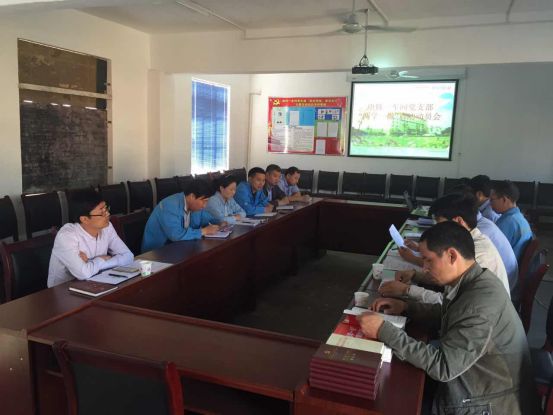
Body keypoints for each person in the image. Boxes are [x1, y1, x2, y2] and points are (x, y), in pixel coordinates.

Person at [360, 222, 539, 415]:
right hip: (476, 382)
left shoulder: (479, 304)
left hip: (486, 403)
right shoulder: (475, 279)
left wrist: (383, 330)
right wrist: (406, 307)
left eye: (428, 260)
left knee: (391, 396)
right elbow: (450, 313)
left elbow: (443, 367)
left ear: (452, 256)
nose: (424, 268)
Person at [387, 193, 509, 302]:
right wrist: (415, 275)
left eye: (439, 223)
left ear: (459, 221)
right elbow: (447, 278)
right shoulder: (466, 241)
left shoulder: (476, 255)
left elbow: (448, 302)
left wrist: (407, 290)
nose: (436, 228)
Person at [48, 190, 133, 288]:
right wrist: (102, 259)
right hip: (63, 291)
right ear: (85, 219)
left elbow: (128, 256)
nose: (108, 214)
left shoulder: (107, 227)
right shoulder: (67, 235)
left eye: (106, 208)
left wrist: (92, 263)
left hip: (94, 283)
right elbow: (83, 273)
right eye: (102, 212)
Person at [141, 179, 221, 252]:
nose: (205, 205)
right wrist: (204, 231)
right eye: (204, 201)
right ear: (192, 196)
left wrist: (220, 223)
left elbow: (207, 218)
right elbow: (176, 235)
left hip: (179, 248)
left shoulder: (195, 206)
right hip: (156, 253)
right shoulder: (169, 206)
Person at [491, 180, 533, 261]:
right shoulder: (518, 217)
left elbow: (493, 251)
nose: (490, 204)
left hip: (506, 265)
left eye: (492, 200)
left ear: (504, 199)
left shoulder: (507, 222)